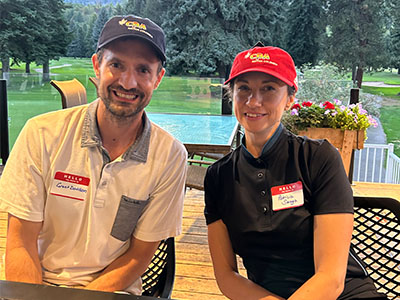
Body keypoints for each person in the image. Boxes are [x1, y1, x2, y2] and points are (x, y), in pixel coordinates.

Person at [0, 15, 187, 295]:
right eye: (116, 65)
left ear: (158, 78)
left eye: (143, 70)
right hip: (40, 287)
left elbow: (139, 255)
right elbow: (20, 243)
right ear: (97, 65)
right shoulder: (40, 134)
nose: (128, 82)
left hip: (114, 291)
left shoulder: (170, 156)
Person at [204, 44, 387, 300]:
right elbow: (227, 277)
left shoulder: (318, 158)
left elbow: (331, 279)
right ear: (231, 94)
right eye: (243, 88)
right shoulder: (218, 177)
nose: (253, 101)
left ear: (290, 98)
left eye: (268, 88)